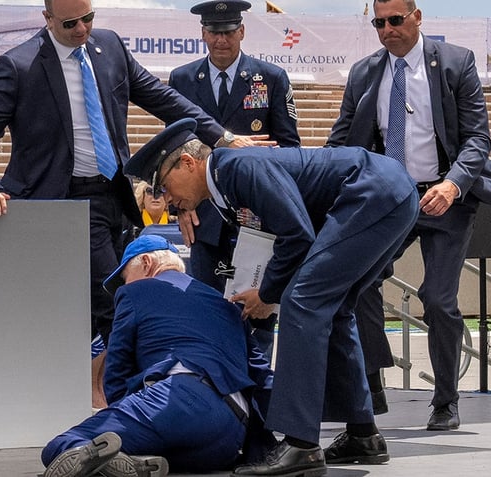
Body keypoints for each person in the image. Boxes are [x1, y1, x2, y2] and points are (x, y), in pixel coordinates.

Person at [0, 0, 270, 408]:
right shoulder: (20, 65)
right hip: (58, 202)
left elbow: (164, 99)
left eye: (88, 18)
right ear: (47, 19)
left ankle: (121, 394)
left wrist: (222, 138)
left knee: (118, 296)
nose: (82, 29)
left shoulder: (110, 47)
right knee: (116, 297)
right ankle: (136, 400)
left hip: (113, 197)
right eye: (70, 23)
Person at [126, 118, 421, 475]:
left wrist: (268, 294)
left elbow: (297, 235)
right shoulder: (226, 186)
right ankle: (363, 435)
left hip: (372, 192)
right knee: (335, 308)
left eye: (165, 187)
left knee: (303, 303)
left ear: (188, 163)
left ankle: (301, 445)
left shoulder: (237, 167)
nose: (168, 201)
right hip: (387, 192)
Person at [325, 0, 491, 428]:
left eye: (396, 20)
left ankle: (446, 399)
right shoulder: (364, 73)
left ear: (418, 17)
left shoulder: (456, 63)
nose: (387, 29)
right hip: (390, 199)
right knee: (359, 285)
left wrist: (453, 184)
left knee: (438, 300)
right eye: (379, 22)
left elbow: (477, 139)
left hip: (446, 196)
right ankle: (372, 380)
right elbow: (342, 140)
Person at [41, 234, 274, 477]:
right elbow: (263, 377)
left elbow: (117, 371)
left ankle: (111, 461)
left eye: (124, 278)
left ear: (146, 262)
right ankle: (134, 464)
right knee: (156, 452)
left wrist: (124, 411)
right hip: (232, 431)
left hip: (178, 399)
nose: (124, 286)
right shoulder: (225, 304)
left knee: (63, 446)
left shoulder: (135, 292)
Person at [168, 0, 300, 359]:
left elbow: (289, 148)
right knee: (208, 311)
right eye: (213, 32)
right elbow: (173, 155)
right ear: (203, 34)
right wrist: (179, 208)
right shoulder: (182, 80)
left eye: (228, 31)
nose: (221, 40)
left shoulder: (269, 78)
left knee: (256, 314)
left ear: (242, 31)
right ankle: (216, 392)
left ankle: (257, 395)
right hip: (205, 218)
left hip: (257, 217)